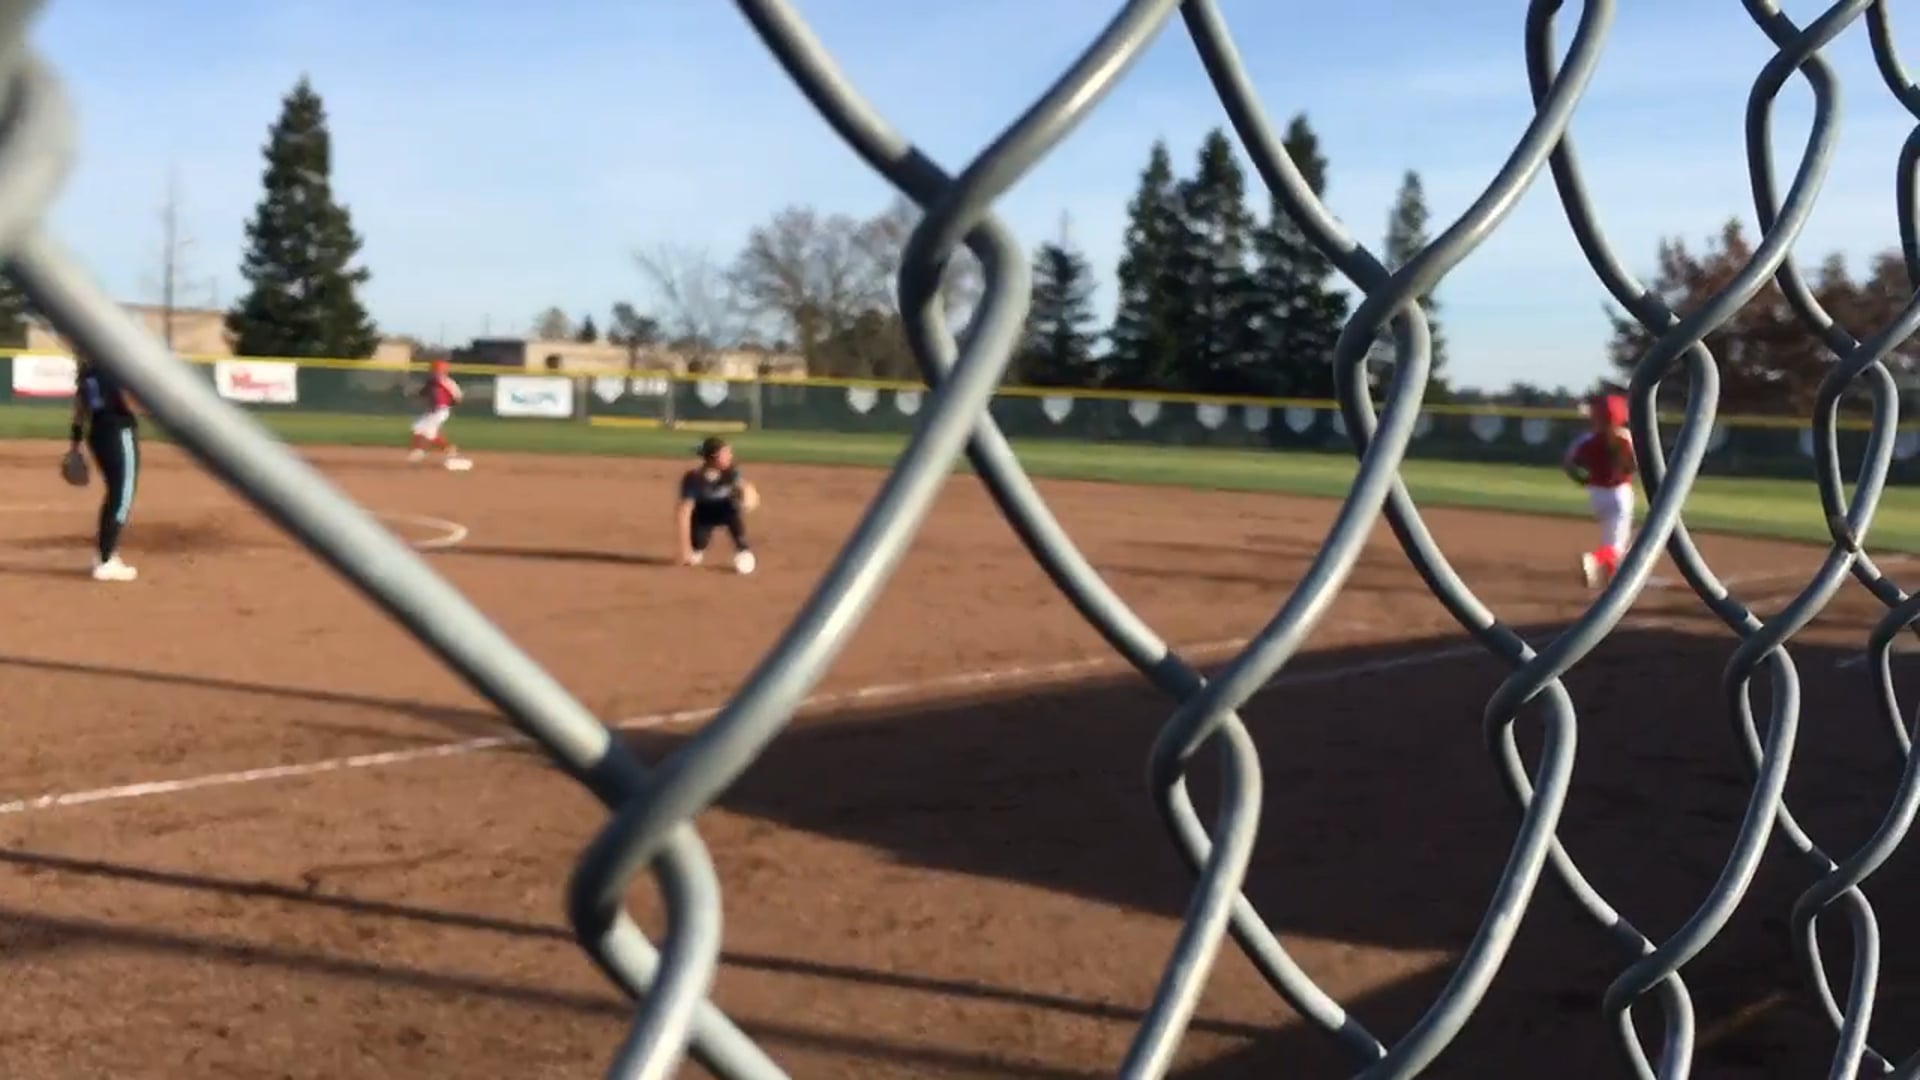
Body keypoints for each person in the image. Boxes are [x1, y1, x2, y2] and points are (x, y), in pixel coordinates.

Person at [68, 353, 140, 582]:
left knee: (114, 494)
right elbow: (129, 403)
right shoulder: (115, 365)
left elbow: (80, 410)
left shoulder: (88, 371)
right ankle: (106, 560)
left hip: (97, 433)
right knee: (122, 496)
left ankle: (104, 554)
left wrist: (74, 445)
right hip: (119, 432)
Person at [1563, 392, 1637, 589]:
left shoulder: (1586, 440)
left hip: (1596, 494)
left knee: (1609, 538)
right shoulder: (1625, 438)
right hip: (1619, 493)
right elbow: (1634, 465)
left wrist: (1582, 480)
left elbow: (1569, 464)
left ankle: (1612, 577)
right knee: (1616, 546)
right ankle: (1594, 560)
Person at [677, 436, 758, 574]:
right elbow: (684, 512)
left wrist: (748, 500)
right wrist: (685, 548)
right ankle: (698, 548)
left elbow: (746, 488)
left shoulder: (731, 472)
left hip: (724, 511)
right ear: (714, 457)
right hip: (702, 514)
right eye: (726, 453)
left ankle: (743, 550)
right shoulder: (694, 478)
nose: (730, 456)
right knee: (697, 549)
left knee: (733, 511)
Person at [409, 359, 470, 470]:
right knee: (418, 427)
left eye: (435, 369)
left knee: (427, 431)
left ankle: (419, 452)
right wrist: (414, 394)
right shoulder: (431, 381)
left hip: (440, 411)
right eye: (433, 369)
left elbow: (458, 397)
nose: (433, 371)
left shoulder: (447, 382)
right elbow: (422, 393)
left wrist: (448, 404)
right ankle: (448, 449)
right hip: (432, 411)